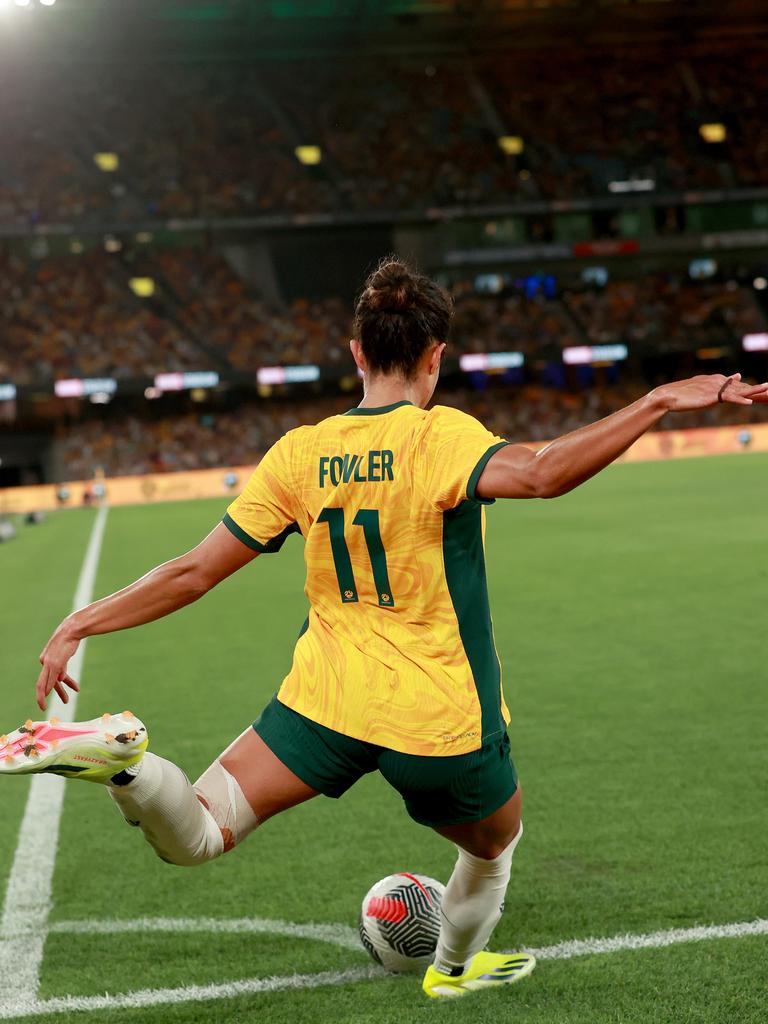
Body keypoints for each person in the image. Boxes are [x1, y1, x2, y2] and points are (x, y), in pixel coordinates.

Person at [2, 259, 766, 1000]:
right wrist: (658, 400)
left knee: (198, 833)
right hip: (437, 717)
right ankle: (454, 966)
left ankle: (127, 763)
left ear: (356, 351)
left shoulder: (300, 452)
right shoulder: (440, 437)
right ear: (436, 355)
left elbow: (193, 572)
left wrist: (81, 620)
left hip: (324, 703)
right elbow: (541, 472)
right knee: (494, 847)